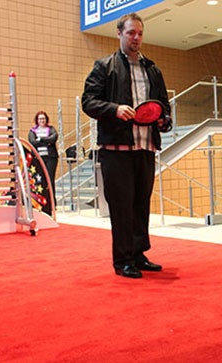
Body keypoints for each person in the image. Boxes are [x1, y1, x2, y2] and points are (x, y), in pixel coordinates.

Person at [81, 13, 172, 279]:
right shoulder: (104, 66)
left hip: (145, 147)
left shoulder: (152, 69)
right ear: (119, 33)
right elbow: (88, 101)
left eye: (140, 33)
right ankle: (122, 261)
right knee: (121, 206)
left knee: (141, 203)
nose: (136, 38)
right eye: (131, 33)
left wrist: (164, 119)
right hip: (116, 150)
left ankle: (138, 254)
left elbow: (163, 104)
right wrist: (114, 109)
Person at [27, 110, 59, 195]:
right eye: (40, 119)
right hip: (38, 158)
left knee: (50, 180)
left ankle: (52, 203)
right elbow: (33, 142)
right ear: (37, 120)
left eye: (43, 118)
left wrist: (41, 139)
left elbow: (54, 138)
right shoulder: (32, 131)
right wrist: (47, 141)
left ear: (46, 119)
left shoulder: (51, 129)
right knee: (40, 180)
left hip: (51, 158)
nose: (42, 120)